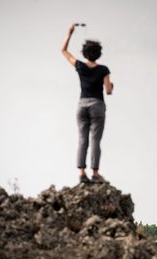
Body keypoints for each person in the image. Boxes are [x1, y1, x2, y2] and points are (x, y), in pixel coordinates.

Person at [61, 23, 114, 183]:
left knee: (82, 139)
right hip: (97, 105)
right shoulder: (103, 69)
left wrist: (69, 33)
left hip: (82, 105)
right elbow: (109, 91)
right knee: (95, 140)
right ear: (98, 54)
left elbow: (64, 51)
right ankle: (95, 174)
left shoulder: (80, 66)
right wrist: (111, 86)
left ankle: (82, 173)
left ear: (84, 53)